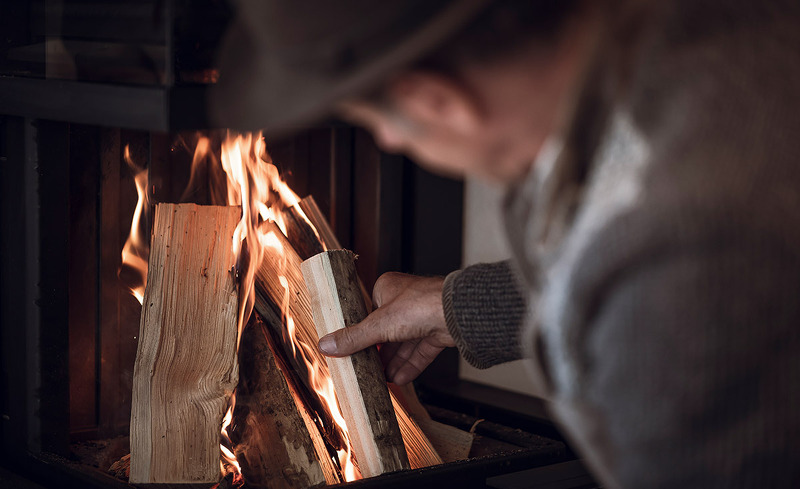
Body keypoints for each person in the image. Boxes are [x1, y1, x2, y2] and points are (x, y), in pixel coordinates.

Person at [211, 0, 800, 487]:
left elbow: (670, 288)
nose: (388, 140)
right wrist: (458, 306)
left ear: (433, 100)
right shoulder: (708, 39)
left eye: (378, 121)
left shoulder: (686, 267)